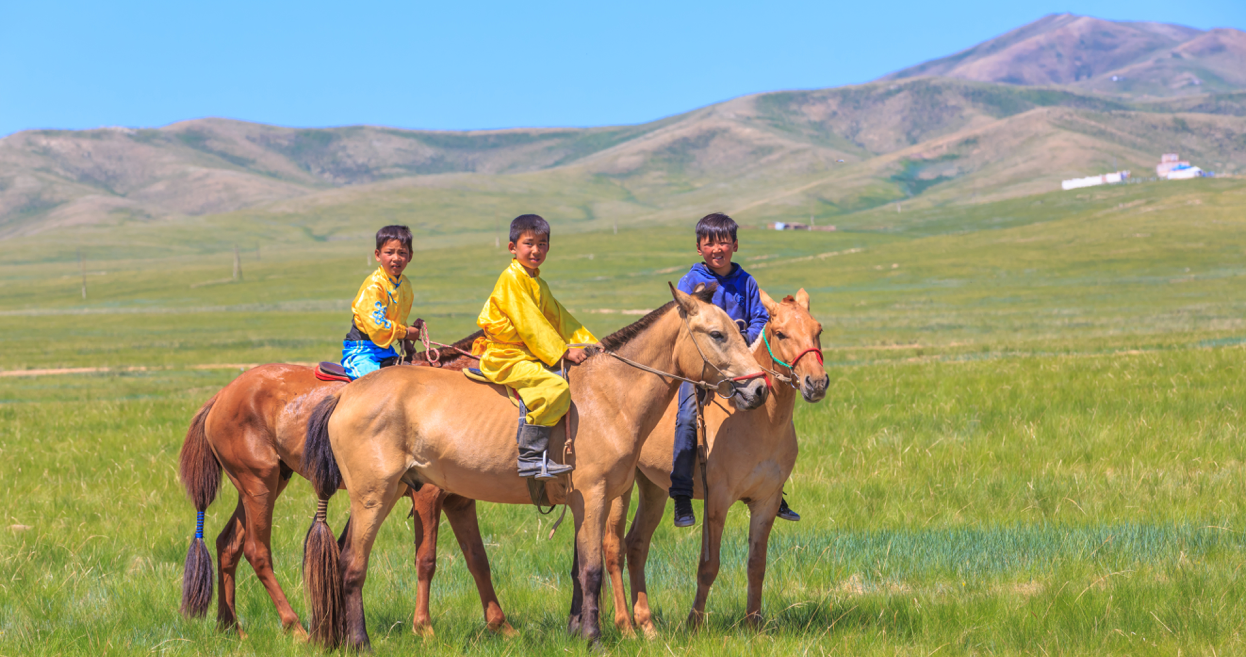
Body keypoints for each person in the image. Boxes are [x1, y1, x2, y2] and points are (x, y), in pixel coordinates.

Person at [670, 212, 800, 526]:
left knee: (768, 416)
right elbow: (685, 322)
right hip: (703, 369)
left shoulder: (746, 282)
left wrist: (740, 344)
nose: (717, 248)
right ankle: (682, 494)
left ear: (736, 245)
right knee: (687, 416)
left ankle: (773, 490)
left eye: (724, 242)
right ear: (698, 248)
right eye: (709, 243)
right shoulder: (692, 282)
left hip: (740, 365)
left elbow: (759, 319)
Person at [472, 214, 598, 480]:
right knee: (554, 388)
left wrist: (591, 344)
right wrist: (563, 352)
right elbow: (532, 324)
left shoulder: (537, 282)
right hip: (506, 356)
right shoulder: (511, 279)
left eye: (542, 244)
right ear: (512, 248)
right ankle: (530, 457)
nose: (536, 250)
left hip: (524, 353)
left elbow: (559, 317)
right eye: (529, 243)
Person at [341, 225, 424, 380]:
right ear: (378, 255)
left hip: (386, 349)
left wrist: (405, 342)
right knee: (376, 385)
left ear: (410, 256)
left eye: (402, 253)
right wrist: (405, 333)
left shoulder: (404, 284)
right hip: (362, 351)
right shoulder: (374, 285)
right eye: (389, 252)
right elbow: (378, 326)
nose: (396, 258)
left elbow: (398, 317)